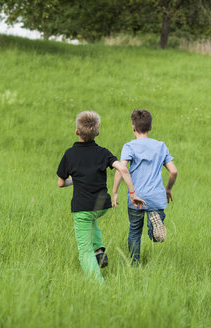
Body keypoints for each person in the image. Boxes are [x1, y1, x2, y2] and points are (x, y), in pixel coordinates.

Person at [57, 110, 146, 283]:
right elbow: (122, 169)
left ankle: (98, 286)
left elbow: (61, 183)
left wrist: (73, 181)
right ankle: (99, 251)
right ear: (97, 132)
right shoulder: (103, 152)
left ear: (77, 132)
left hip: (82, 207)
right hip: (101, 205)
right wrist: (132, 193)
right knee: (92, 218)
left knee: (84, 250)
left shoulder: (70, 154)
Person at [112, 109, 178, 265]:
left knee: (134, 231)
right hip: (156, 197)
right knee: (154, 231)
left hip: (136, 197)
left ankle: (134, 264)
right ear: (151, 127)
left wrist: (114, 192)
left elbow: (121, 170)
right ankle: (154, 227)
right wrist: (168, 189)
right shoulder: (161, 146)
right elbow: (174, 171)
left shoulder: (129, 146)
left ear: (133, 127)